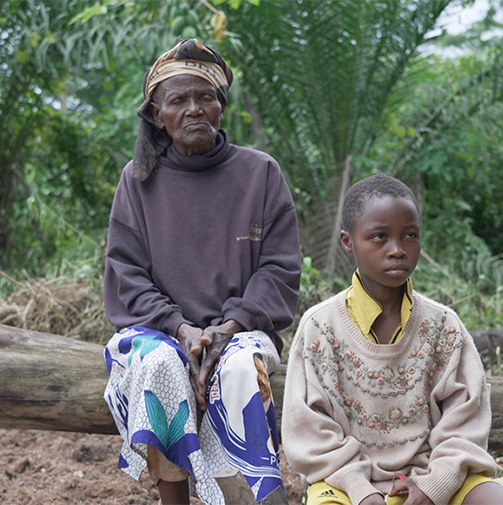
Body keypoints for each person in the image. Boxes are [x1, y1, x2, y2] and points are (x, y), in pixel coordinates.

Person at [101, 38, 302, 505]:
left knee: (238, 368)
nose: (194, 109)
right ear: (157, 115)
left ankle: (254, 497)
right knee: (159, 364)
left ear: (221, 107)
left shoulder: (260, 173)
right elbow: (126, 272)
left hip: (243, 329)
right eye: (179, 100)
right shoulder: (138, 180)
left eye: (205, 97)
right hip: (160, 329)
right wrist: (182, 328)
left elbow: (279, 269)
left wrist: (228, 328)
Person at [282, 174, 503, 505]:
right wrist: (360, 490)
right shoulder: (320, 328)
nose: (397, 250)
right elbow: (310, 432)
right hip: (342, 485)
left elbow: (464, 420)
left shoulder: (443, 326)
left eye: (409, 235)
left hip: (432, 478)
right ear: (347, 241)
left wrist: (435, 484)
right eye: (379, 237)